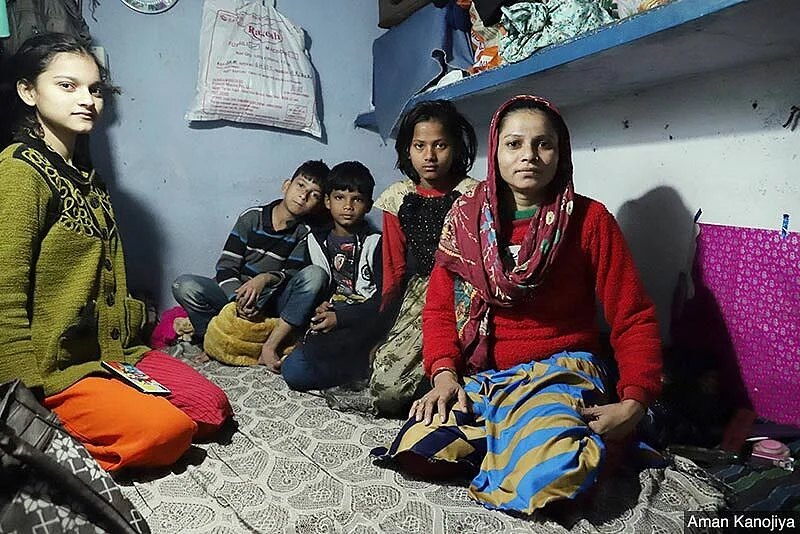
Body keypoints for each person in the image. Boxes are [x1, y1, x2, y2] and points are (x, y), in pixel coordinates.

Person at [371, 95, 663, 515]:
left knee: (552, 475)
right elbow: (438, 307)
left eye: (543, 144)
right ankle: (515, 434)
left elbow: (632, 316)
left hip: (559, 370)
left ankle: (552, 437)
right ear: (496, 151)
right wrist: (444, 374)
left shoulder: (590, 220)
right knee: (418, 447)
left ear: (560, 152)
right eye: (514, 144)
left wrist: (634, 403)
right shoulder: (465, 217)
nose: (529, 156)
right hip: (488, 374)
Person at [0, 33, 232, 471]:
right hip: (52, 369)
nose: (87, 99)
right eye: (67, 86)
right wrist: (23, 392)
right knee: (168, 433)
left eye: (95, 89)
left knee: (210, 408)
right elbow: (3, 292)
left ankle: (116, 404)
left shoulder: (89, 178)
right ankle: (52, 434)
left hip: (112, 354)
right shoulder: (17, 174)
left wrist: (130, 347)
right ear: (28, 91)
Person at [325, 100, 479, 416]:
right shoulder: (398, 197)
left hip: (467, 290)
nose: (430, 156)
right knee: (387, 392)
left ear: (456, 147)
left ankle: (447, 383)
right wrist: (384, 332)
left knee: (478, 366)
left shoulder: (474, 193)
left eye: (440, 145)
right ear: (407, 150)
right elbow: (393, 270)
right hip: (421, 293)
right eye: (419, 145)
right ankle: (426, 382)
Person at [172, 160, 330, 372]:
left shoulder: (305, 233)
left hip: (271, 303)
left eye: (314, 194)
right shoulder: (252, 218)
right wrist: (237, 300)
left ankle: (269, 345)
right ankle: (211, 341)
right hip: (236, 295)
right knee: (183, 285)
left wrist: (264, 279)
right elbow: (226, 266)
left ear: (318, 205)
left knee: (316, 275)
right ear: (286, 186)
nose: (303, 196)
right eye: (301, 186)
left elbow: (292, 274)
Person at [281, 161, 385, 390]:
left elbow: (385, 302)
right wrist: (320, 306)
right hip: (330, 322)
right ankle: (360, 369)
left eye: (356, 199)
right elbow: (306, 289)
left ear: (368, 205)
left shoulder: (376, 244)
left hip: (363, 320)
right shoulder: (313, 241)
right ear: (327, 201)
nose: (348, 206)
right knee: (294, 369)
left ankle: (365, 367)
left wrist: (342, 317)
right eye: (339, 198)